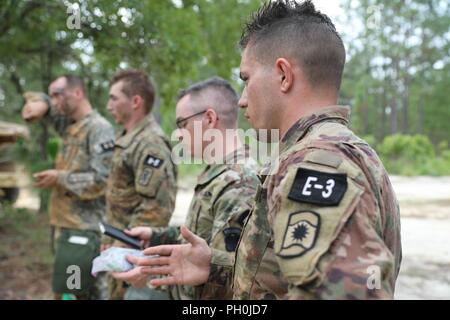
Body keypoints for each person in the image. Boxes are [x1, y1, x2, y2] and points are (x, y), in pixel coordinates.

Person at [127, 0, 402, 300]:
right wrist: (215, 267)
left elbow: (347, 293)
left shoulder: (318, 163)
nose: (242, 100)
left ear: (283, 74)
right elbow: (280, 279)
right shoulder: (342, 151)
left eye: (246, 79)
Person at [111, 77, 259, 299]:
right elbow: (203, 237)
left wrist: (152, 278)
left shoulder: (239, 183)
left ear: (209, 119)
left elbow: (230, 277)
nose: (178, 134)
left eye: (182, 124)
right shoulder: (218, 173)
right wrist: (155, 236)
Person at [21, 75, 115, 299]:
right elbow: (45, 109)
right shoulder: (70, 125)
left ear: (78, 93)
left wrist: (59, 178)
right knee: (70, 291)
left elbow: (101, 181)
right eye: (51, 96)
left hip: (84, 229)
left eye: (57, 95)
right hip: (67, 227)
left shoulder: (99, 128)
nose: (53, 102)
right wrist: (42, 102)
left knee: (74, 292)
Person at [102, 69, 177, 300]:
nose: (108, 105)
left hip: (130, 256)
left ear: (135, 101)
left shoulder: (150, 143)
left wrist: (120, 248)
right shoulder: (126, 138)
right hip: (117, 249)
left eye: (114, 98)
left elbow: (156, 209)